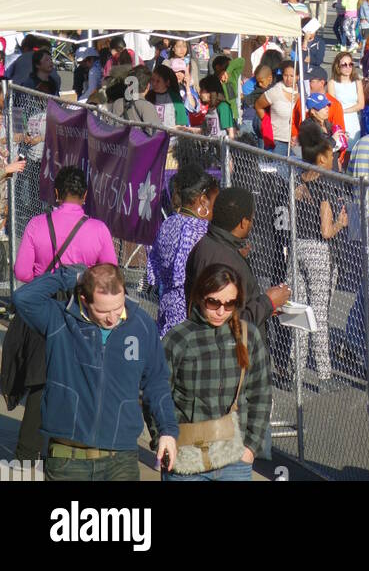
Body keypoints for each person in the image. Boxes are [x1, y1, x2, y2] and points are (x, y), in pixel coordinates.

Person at [13, 262, 178, 481]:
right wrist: (71, 277)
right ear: (84, 300)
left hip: (121, 460)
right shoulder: (60, 319)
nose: (112, 317)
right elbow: (23, 299)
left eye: (118, 308)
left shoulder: (141, 325)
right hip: (68, 460)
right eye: (102, 310)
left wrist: (167, 430)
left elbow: (156, 382)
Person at [3, 165, 118, 464]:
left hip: (43, 306)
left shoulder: (37, 225)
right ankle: (69, 450)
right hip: (82, 311)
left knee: (41, 380)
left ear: (55, 193)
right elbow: (110, 275)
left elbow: (22, 272)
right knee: (78, 377)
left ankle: (26, 456)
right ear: (85, 196)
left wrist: (49, 275)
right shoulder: (98, 230)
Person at [162, 263, 271, 481]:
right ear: (201, 296)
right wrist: (163, 440)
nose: (221, 311)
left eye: (230, 304)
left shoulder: (248, 337)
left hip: (235, 460)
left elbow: (261, 394)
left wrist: (250, 448)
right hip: (186, 459)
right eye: (213, 302)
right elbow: (156, 396)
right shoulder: (178, 339)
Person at [185, 188, 291, 336]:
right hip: (231, 354)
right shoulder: (227, 262)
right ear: (244, 223)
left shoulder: (205, 244)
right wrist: (268, 302)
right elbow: (230, 325)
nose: (252, 223)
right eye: (252, 218)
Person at [294, 121, 349, 385]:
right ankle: (325, 375)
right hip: (318, 250)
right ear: (320, 157)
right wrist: (341, 223)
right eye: (330, 155)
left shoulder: (297, 178)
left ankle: (297, 368)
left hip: (297, 247)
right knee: (319, 313)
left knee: (299, 311)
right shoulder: (325, 183)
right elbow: (326, 230)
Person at [146, 166, 220, 337]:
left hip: (166, 304)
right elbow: (183, 275)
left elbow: (153, 268)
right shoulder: (199, 229)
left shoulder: (168, 223)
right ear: (203, 200)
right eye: (214, 202)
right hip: (188, 310)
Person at [328, 53, 365, 148]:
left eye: (350, 64)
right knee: (339, 149)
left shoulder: (357, 82)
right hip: (338, 120)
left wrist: (344, 111)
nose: (348, 67)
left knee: (351, 150)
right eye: (344, 65)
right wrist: (340, 112)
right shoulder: (332, 83)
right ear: (338, 66)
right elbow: (332, 105)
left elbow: (361, 105)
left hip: (353, 121)